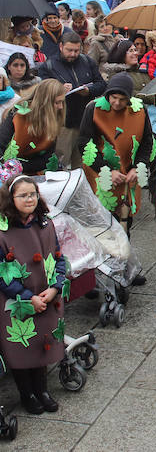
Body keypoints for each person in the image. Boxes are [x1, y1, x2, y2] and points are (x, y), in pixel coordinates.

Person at [0, 172, 68, 416]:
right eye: (23, 195)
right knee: (21, 347)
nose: (29, 199)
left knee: (42, 343)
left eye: (33, 194)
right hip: (17, 301)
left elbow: (59, 258)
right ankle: (26, 393)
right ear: (11, 198)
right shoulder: (2, 232)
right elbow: (2, 273)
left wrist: (55, 288)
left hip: (46, 295)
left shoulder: (45, 224)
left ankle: (42, 390)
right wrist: (28, 297)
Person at [78, 74, 154, 228]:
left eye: (122, 99)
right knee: (102, 222)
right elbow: (84, 144)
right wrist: (105, 170)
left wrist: (139, 165)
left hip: (128, 173)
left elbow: (147, 141)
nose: (117, 103)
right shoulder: (93, 109)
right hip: (101, 174)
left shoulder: (140, 110)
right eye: (113, 97)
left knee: (125, 220)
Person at [37, 31, 107, 168]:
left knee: (82, 165)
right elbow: (42, 91)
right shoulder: (49, 65)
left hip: (85, 121)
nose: (73, 54)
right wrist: (58, 89)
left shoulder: (87, 61)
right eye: (69, 50)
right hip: (62, 123)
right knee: (60, 163)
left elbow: (101, 84)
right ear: (61, 46)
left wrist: (88, 91)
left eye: (76, 50)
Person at [0, 79, 67, 174]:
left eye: (62, 102)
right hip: (7, 170)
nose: (61, 107)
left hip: (36, 170)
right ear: (44, 101)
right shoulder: (18, 113)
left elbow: (47, 158)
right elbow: (1, 142)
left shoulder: (54, 119)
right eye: (57, 102)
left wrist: (21, 167)